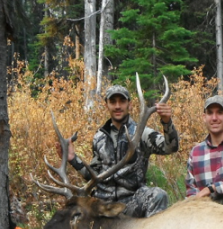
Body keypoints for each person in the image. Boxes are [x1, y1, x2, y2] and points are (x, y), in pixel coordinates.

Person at [57, 84, 179, 218]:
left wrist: (167, 122)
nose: (117, 106)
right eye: (113, 101)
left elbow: (170, 147)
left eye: (122, 101)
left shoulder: (142, 133)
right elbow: (94, 175)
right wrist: (73, 159)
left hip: (131, 202)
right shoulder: (99, 137)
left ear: (130, 105)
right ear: (106, 105)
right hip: (102, 204)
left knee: (158, 195)